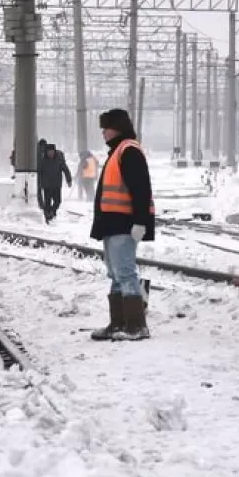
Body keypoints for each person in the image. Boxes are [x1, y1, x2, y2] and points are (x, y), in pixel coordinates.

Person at [89, 108, 156, 341]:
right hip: (112, 223)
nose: (103, 133)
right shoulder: (118, 151)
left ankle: (136, 326)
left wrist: (140, 221)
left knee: (125, 272)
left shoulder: (129, 151)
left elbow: (140, 188)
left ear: (116, 128)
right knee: (116, 274)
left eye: (105, 128)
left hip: (124, 223)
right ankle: (118, 323)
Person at [36, 143, 72, 223]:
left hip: (56, 184)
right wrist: (39, 183)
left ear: (54, 151)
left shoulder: (59, 159)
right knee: (47, 203)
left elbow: (65, 170)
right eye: (49, 152)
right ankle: (48, 217)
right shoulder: (43, 160)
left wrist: (68, 180)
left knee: (58, 201)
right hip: (46, 185)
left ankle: (52, 212)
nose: (50, 153)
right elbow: (39, 172)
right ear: (46, 152)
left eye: (52, 152)